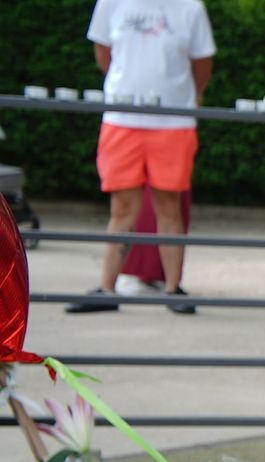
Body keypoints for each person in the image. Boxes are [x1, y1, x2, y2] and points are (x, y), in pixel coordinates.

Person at [74, 0, 215, 315]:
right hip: (122, 119)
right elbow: (103, 53)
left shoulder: (190, 7)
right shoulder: (112, 3)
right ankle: (107, 289)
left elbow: (203, 63)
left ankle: (173, 288)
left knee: (169, 204)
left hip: (173, 122)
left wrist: (188, 99)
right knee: (122, 206)